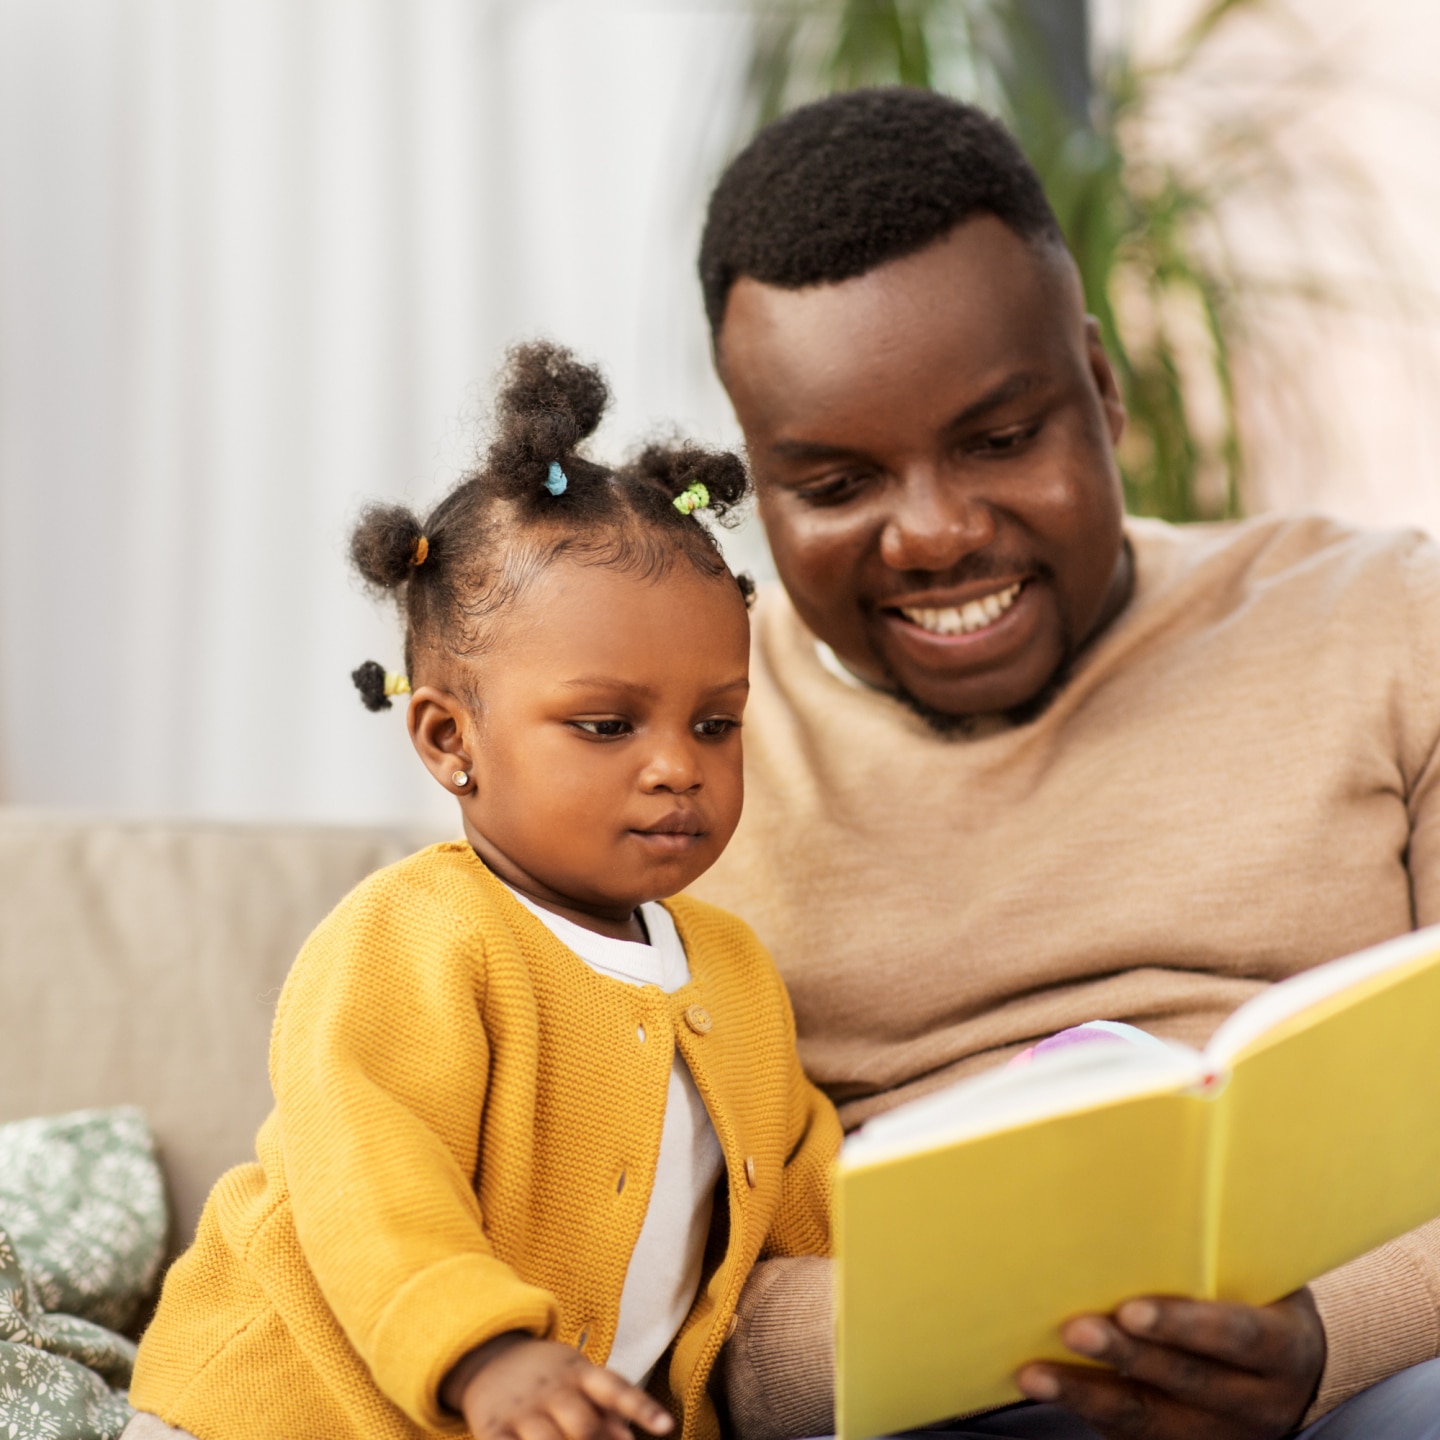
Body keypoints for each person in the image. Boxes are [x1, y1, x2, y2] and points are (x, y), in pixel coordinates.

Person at [693, 90, 1440, 1440]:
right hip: (910, 1401)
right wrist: (969, 1332)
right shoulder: (669, 748)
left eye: (998, 440)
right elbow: (613, 1275)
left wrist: (1325, 1337)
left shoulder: (1390, 620)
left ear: (1098, 388)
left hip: (1376, 1370)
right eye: (838, 484)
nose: (933, 535)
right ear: (759, 478)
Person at [125, 343, 840, 1440]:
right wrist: (486, 1352)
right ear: (449, 737)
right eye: (607, 725)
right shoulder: (413, 936)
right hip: (281, 1411)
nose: (678, 766)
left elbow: (804, 1209)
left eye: (716, 723)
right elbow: (368, 1174)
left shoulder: (735, 974)